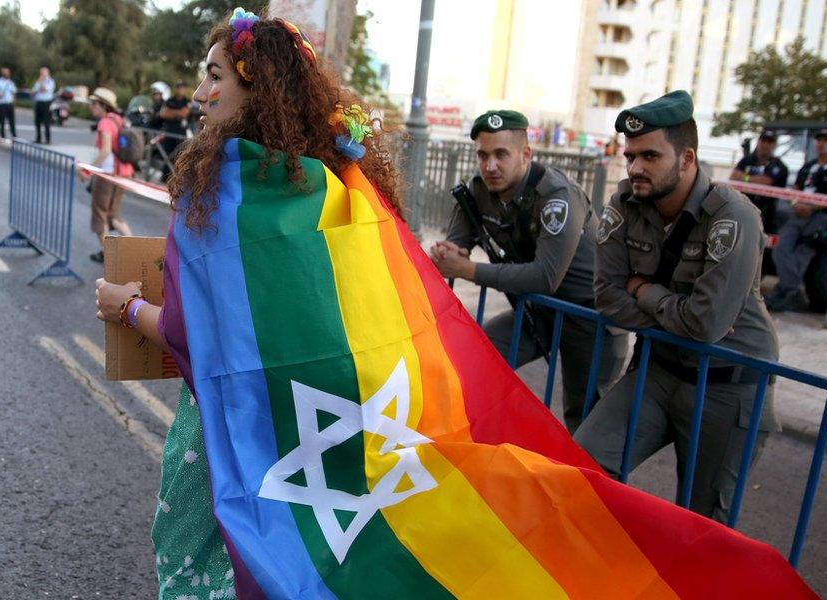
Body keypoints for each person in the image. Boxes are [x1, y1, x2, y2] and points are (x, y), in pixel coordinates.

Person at [93, 9, 401, 598]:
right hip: (326, 427)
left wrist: (124, 307)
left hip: (231, 424)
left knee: (192, 553)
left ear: (254, 87)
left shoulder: (226, 193)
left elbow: (193, 336)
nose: (200, 93)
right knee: (296, 559)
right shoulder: (342, 186)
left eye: (215, 77)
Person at [573, 90, 780, 523]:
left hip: (727, 383)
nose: (634, 168)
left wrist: (643, 290)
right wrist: (675, 312)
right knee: (582, 465)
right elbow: (607, 297)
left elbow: (705, 323)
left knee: (703, 523)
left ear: (687, 158)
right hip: (659, 370)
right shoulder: (624, 203)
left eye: (650, 156)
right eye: (630, 156)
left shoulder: (733, 216)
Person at [430, 110, 630, 432]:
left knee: (587, 428)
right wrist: (449, 250)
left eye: (500, 154)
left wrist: (467, 269)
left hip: (591, 320)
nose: (490, 165)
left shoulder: (556, 196)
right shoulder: (478, 190)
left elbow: (544, 277)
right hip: (538, 312)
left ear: (525, 154)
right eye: (482, 155)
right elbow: (455, 245)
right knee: (469, 362)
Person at [765, 128, 827, 312]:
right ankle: (792, 291)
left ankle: (785, 292)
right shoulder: (808, 166)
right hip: (798, 214)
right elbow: (795, 190)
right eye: (819, 140)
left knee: (802, 252)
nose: (821, 144)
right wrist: (796, 203)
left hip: (823, 217)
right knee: (781, 247)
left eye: (826, 140)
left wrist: (812, 206)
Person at [80, 87, 134, 263]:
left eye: (94, 103)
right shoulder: (118, 120)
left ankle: (107, 255)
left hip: (107, 175)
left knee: (99, 214)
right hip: (123, 173)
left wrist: (87, 170)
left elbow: (105, 151)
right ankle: (134, 248)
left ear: (103, 105)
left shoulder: (104, 122)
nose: (91, 106)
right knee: (113, 214)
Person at [729, 130, 788, 233]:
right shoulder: (746, 160)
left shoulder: (778, 165)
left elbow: (766, 181)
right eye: (763, 141)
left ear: (774, 145)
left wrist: (745, 178)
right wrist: (754, 179)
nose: (765, 145)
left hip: (764, 212)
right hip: (741, 206)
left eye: (769, 142)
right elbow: (733, 176)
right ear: (758, 142)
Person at [158, 80, 191, 180]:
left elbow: (184, 114)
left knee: (179, 156)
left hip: (180, 133)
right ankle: (164, 177)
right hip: (169, 132)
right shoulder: (169, 100)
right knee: (166, 155)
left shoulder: (187, 101)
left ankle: (175, 178)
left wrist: (171, 112)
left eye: (182, 87)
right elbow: (163, 114)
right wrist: (178, 112)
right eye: (178, 87)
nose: (180, 89)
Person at [0, 67, 17, 138]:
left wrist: (14, 100)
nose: (7, 74)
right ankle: (2, 136)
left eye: (8, 72)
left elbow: (13, 92)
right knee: (2, 121)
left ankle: (14, 135)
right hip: (1, 104)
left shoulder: (10, 82)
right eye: (6, 72)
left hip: (9, 104)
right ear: (2, 73)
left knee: (12, 120)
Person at [31, 67, 56, 145]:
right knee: (37, 121)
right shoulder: (38, 82)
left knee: (46, 122)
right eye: (41, 73)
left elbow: (44, 89)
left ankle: (48, 139)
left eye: (43, 73)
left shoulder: (50, 81)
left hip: (46, 103)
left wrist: (41, 83)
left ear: (47, 73)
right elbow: (33, 92)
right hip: (38, 102)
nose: (41, 74)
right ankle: (38, 138)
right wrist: (38, 86)